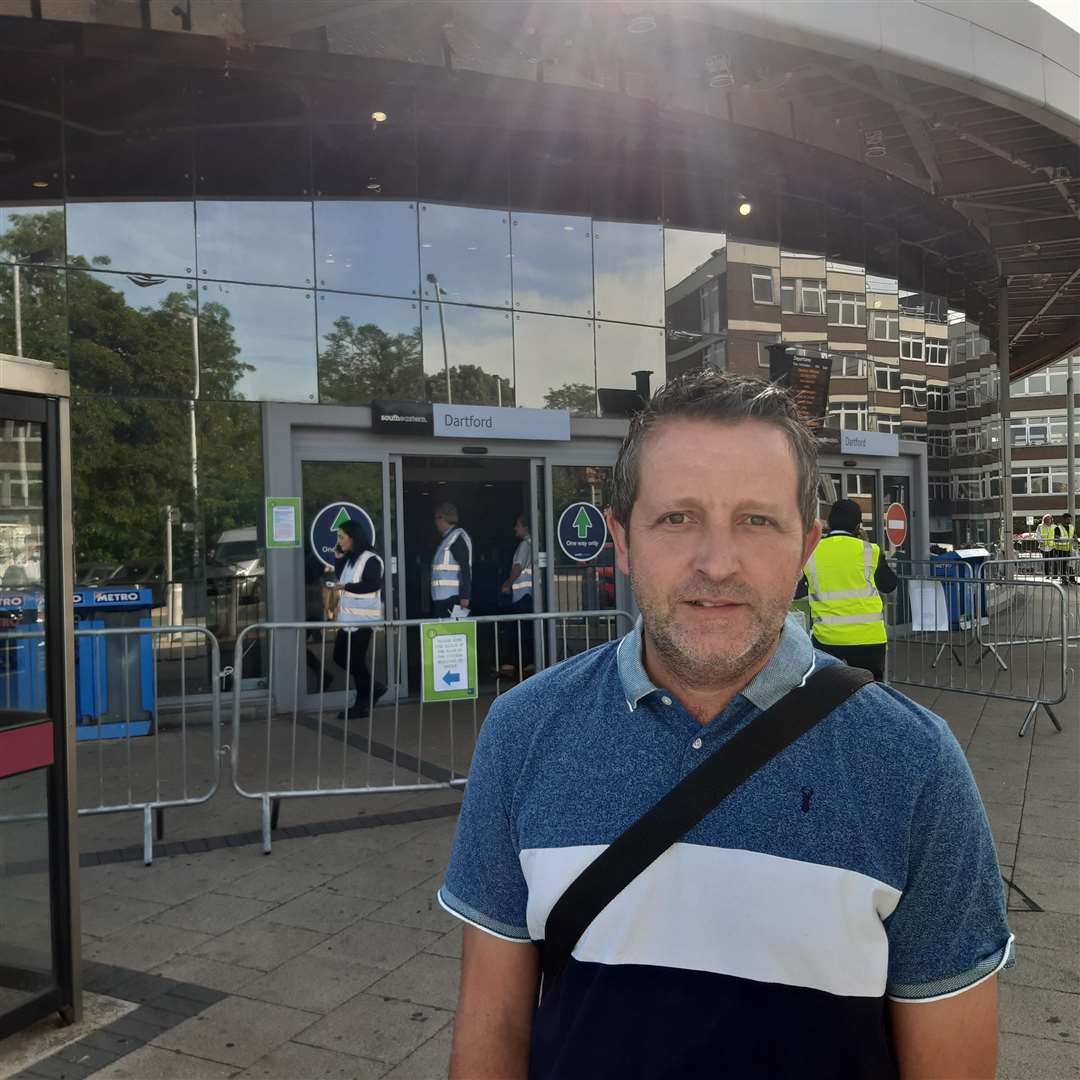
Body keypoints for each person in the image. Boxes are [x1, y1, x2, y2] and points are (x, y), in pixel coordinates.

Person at [440, 370, 1011, 1080]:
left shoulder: (914, 765)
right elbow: (492, 1028)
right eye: (677, 518)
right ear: (621, 539)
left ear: (804, 549)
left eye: (756, 520)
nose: (717, 563)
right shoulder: (523, 732)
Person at [797, 498, 897, 681]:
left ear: (829, 522)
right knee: (869, 694)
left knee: (828, 693)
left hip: (827, 638)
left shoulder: (811, 551)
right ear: (858, 525)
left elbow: (797, 591)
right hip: (869, 638)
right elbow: (889, 584)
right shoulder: (870, 550)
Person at [327, 520, 386, 720]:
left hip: (363, 620)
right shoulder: (351, 558)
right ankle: (372, 689)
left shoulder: (370, 559)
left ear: (353, 538)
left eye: (342, 537)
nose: (339, 541)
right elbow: (342, 577)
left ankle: (362, 704)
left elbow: (372, 584)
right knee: (340, 657)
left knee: (355, 660)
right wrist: (338, 559)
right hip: (348, 620)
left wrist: (345, 588)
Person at [498, 514, 534, 675]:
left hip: (522, 596)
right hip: (527, 595)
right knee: (525, 630)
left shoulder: (525, 545)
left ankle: (521, 664)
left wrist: (508, 583)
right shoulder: (532, 544)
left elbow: (518, 567)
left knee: (519, 631)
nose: (515, 528)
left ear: (525, 527)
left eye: (517, 525)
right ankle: (527, 663)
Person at [430, 502, 472, 618]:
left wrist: (465, 596)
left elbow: (465, 568)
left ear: (443, 518)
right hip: (443, 596)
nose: (435, 522)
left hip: (451, 598)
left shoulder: (455, 539)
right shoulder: (447, 539)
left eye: (437, 518)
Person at [1054, 512, 1076, 584]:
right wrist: (1067, 538)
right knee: (1063, 565)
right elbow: (1056, 538)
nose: (1070, 521)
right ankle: (1064, 579)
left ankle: (1072, 579)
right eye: (1068, 519)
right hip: (1060, 549)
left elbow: (1074, 536)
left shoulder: (1072, 527)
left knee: (1070, 564)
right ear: (1064, 519)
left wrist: (1075, 539)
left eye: (1070, 519)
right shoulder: (1058, 528)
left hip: (1069, 549)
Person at [1037, 512, 1058, 579]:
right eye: (1046, 519)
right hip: (1044, 547)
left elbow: (1057, 536)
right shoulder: (1040, 526)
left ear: (1052, 519)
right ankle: (1047, 575)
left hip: (1052, 547)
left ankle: (1055, 575)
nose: (1048, 520)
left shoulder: (1055, 526)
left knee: (1054, 561)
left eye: (1049, 519)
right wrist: (1041, 541)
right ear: (1044, 519)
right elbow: (1038, 535)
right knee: (1046, 562)